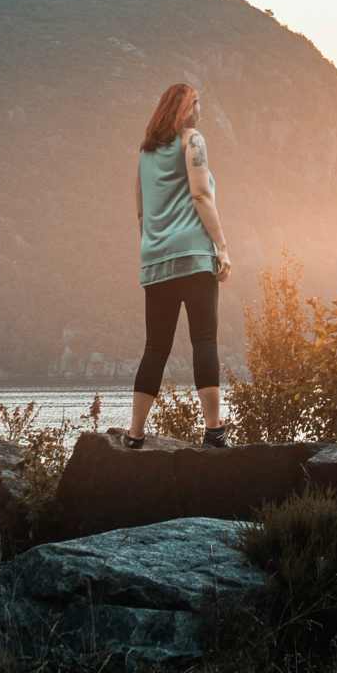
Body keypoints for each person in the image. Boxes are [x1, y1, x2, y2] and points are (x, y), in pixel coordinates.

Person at [127, 80, 233, 447]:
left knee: (155, 347)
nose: (199, 109)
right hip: (193, 256)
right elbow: (202, 194)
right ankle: (214, 430)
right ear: (185, 110)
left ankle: (135, 433)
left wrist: (152, 246)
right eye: (196, 103)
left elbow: (141, 210)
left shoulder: (144, 153)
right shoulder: (193, 141)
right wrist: (221, 246)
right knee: (204, 339)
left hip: (155, 260)